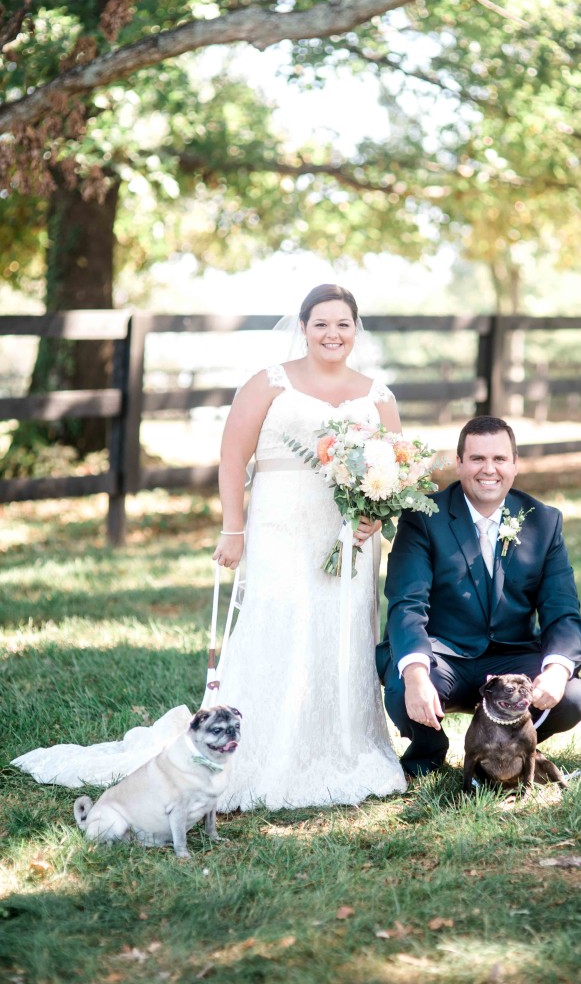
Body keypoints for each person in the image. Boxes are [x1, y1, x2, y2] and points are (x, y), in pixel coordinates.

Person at [12, 284, 407, 811]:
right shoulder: (269, 382)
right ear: (304, 326)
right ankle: (262, 750)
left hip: (348, 538)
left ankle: (343, 748)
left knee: (342, 630)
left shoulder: (377, 394)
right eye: (321, 324)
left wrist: (372, 520)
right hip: (281, 527)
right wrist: (234, 528)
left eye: (343, 324)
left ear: (357, 329)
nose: (332, 334)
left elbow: (394, 470)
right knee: (279, 622)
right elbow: (231, 456)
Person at [376, 414, 581, 778]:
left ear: (515, 465)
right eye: (477, 459)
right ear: (459, 464)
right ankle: (431, 748)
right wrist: (415, 673)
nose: (488, 469)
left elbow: (562, 609)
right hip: (445, 654)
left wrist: (555, 670)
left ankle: (517, 745)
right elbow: (406, 604)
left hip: (512, 655)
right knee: (401, 688)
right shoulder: (423, 518)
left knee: (570, 698)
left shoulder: (544, 521)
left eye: (499, 459)